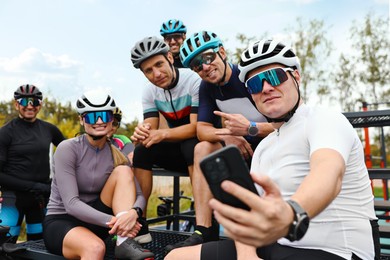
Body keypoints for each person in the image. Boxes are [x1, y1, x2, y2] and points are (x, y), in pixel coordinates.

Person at [166, 39, 379, 260]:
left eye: (276, 76)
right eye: (256, 85)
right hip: (273, 246)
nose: (267, 88)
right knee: (175, 257)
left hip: (335, 250)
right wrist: (247, 255)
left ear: (296, 76)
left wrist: (291, 213)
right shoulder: (263, 147)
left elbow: (329, 173)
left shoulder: (323, 118)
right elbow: (248, 211)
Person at [164, 31, 273, 253]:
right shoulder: (207, 87)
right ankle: (204, 230)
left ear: (222, 52)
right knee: (202, 147)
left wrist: (250, 129)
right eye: (196, 65)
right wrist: (228, 134)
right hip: (241, 150)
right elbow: (202, 130)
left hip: (272, 145)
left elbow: (285, 120)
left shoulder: (246, 75)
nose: (204, 67)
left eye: (207, 58)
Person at [42, 90, 154, 260]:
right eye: (92, 117)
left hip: (98, 222)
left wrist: (133, 214)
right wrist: (118, 222)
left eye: (104, 115)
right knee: (95, 248)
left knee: (123, 171)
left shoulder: (118, 154)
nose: (100, 121)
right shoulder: (68, 148)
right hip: (63, 220)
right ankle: (123, 234)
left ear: (112, 120)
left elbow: (139, 195)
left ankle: (123, 241)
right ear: (81, 120)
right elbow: (71, 204)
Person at [130, 35, 200, 222]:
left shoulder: (193, 80)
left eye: (159, 64)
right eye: (149, 71)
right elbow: (150, 130)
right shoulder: (149, 91)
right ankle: (139, 223)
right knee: (142, 150)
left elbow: (197, 128)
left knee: (191, 145)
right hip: (177, 151)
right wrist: (141, 133)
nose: (157, 74)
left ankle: (202, 223)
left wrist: (163, 133)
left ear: (170, 57)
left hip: (200, 149)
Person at [0, 84, 65, 242]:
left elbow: (71, 152)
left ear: (40, 105)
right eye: (24, 102)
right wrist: (35, 186)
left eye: (35, 102)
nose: (30, 106)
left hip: (41, 199)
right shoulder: (5, 132)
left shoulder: (49, 129)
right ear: (16, 104)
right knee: (4, 245)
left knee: (41, 246)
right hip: (13, 199)